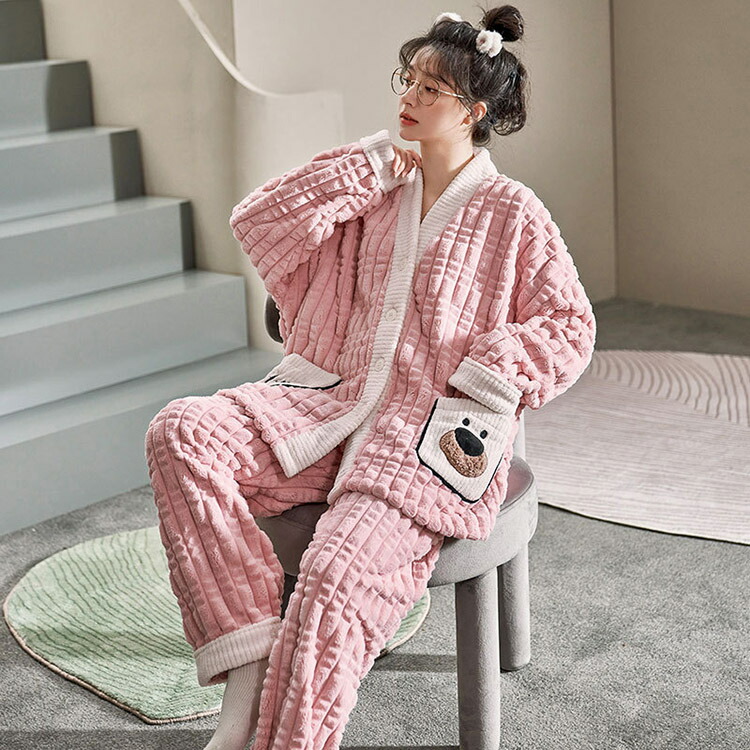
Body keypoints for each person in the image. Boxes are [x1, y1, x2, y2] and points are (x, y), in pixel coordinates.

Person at [144, 5, 597, 749]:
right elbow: (260, 222)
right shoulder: (377, 188)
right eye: (407, 79)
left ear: (475, 112)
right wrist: (366, 166)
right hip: (327, 405)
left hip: (422, 440)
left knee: (333, 578)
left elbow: (570, 325)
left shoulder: (514, 212)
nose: (409, 97)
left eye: (431, 89)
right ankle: (247, 659)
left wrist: (493, 371)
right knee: (182, 431)